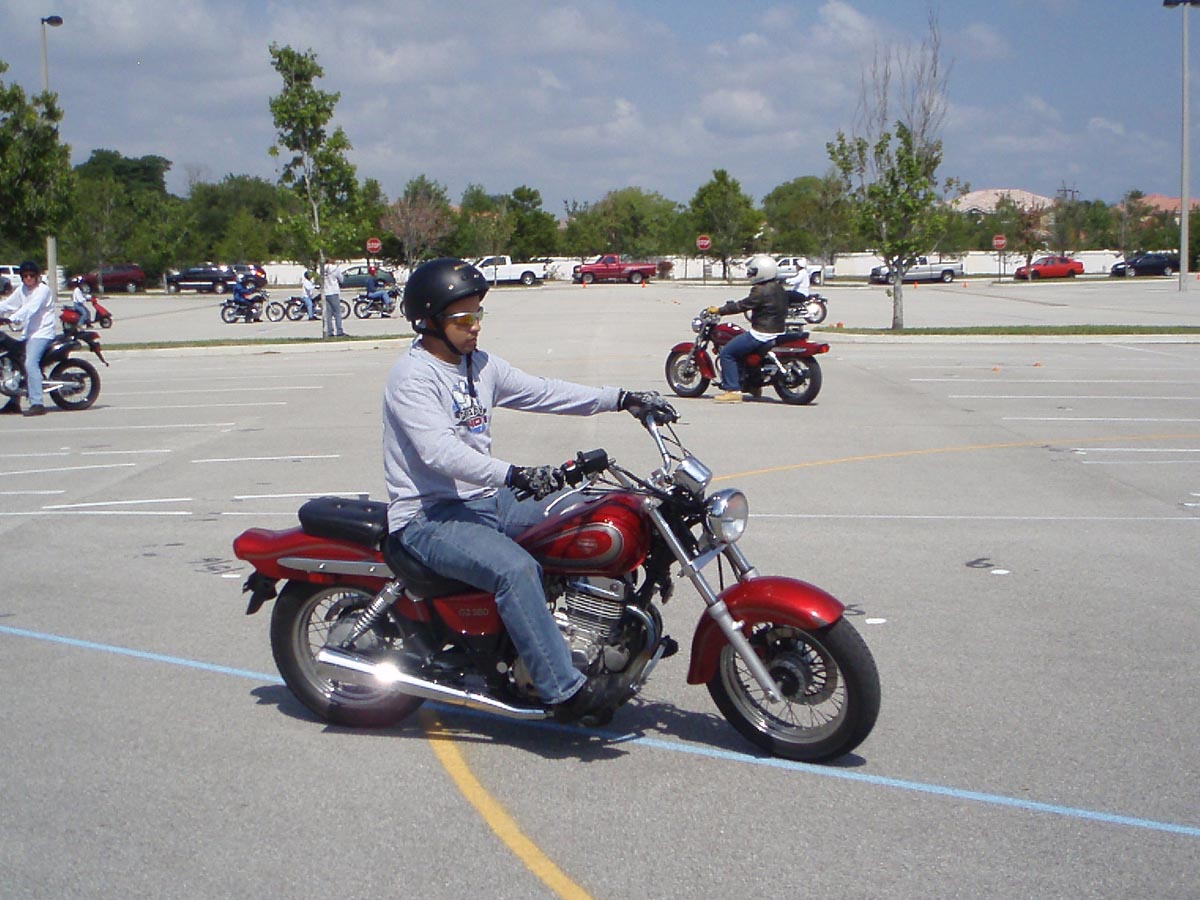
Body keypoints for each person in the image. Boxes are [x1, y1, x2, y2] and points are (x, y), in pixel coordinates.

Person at [381, 257, 671, 721]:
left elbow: (543, 392)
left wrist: (621, 399)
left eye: (478, 314)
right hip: (428, 516)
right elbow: (440, 453)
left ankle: (598, 633)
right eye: (463, 318)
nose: (475, 326)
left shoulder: (479, 365)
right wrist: (514, 474)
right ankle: (563, 690)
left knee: (586, 514)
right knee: (515, 570)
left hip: (485, 501)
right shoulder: (413, 377)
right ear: (430, 321)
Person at [706, 254, 791, 403]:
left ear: (762, 271)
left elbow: (742, 305)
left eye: (753, 271)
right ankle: (753, 386)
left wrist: (720, 310)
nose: (750, 274)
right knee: (746, 355)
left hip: (761, 333)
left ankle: (732, 390)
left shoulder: (760, 290)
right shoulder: (779, 288)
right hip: (778, 331)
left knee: (727, 353)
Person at [0, 261, 57, 416]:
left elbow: (31, 308)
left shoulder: (43, 290)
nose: (29, 278)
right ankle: (14, 402)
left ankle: (37, 403)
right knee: (14, 362)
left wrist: (11, 319)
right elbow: (8, 304)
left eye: (32, 275)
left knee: (30, 363)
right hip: (28, 334)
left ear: (37, 276)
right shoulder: (22, 290)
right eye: (25, 276)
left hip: (42, 334)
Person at [321, 261, 347, 337]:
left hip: (325, 292)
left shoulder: (321, 269)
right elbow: (341, 279)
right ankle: (339, 331)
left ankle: (329, 332)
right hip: (334, 291)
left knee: (328, 314)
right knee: (337, 313)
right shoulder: (335, 268)